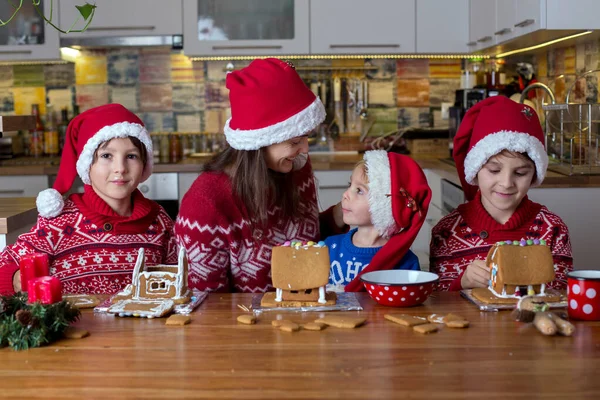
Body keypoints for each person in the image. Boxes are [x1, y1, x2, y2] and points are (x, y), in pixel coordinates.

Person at [175, 58, 346, 293]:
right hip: (249, 326)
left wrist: (340, 216)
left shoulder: (295, 166)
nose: (305, 150)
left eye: (307, 138)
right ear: (260, 142)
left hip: (306, 315)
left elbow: (303, 245)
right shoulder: (205, 204)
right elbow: (206, 303)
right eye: (295, 141)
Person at [0, 104, 177, 295]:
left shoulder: (159, 220)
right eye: (106, 155)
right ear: (86, 165)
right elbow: (4, 266)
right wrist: (17, 279)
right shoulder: (58, 224)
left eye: (131, 156)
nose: (120, 168)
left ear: (144, 164)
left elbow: (181, 278)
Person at [430, 96, 572, 291]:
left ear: (534, 175)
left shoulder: (553, 230)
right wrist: (461, 283)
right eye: (494, 170)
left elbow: (561, 294)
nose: (506, 183)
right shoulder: (447, 232)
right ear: (475, 169)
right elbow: (435, 298)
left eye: (520, 173)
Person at [325, 150, 431, 292]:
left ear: (385, 206)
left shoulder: (406, 263)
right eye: (349, 185)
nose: (345, 194)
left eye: (359, 190)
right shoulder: (328, 248)